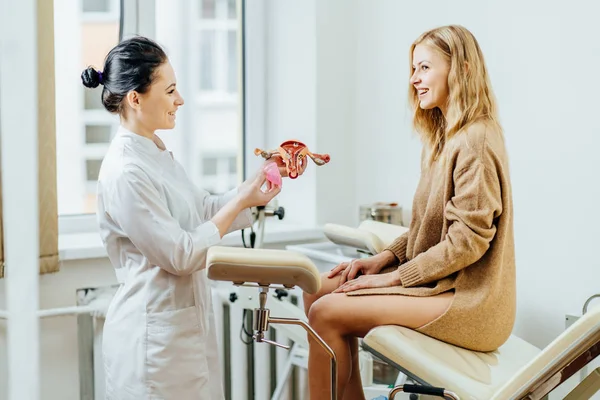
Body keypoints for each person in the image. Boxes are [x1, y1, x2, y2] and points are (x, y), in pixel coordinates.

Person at [303, 25, 516, 399]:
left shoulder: (476, 140)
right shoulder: (442, 138)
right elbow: (427, 228)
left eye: (424, 68)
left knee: (325, 313)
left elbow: (467, 242)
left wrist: (394, 278)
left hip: (470, 301)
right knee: (315, 291)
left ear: (462, 70)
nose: (414, 79)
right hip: (443, 284)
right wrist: (386, 258)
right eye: (413, 69)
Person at [81, 36, 287, 399]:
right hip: (151, 342)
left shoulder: (154, 152)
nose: (181, 100)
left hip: (179, 333)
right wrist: (239, 200)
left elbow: (201, 210)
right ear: (135, 98)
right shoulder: (127, 171)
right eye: (171, 90)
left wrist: (250, 194)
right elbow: (180, 254)